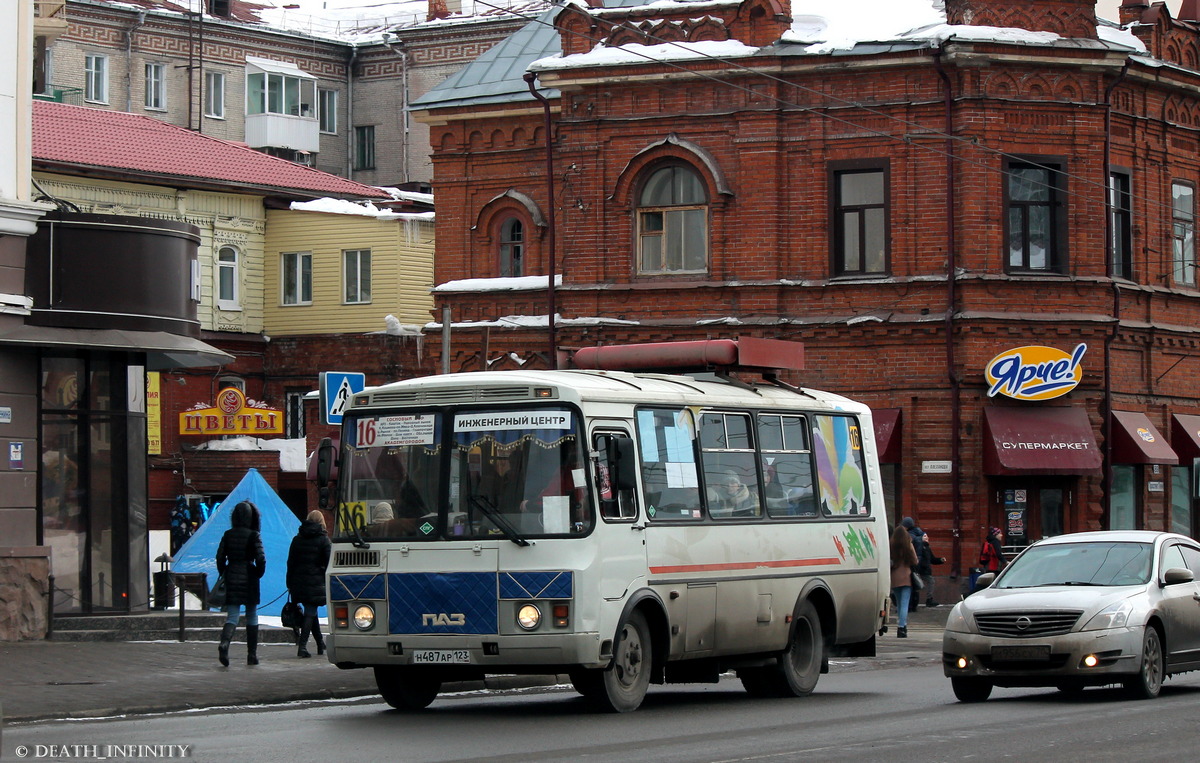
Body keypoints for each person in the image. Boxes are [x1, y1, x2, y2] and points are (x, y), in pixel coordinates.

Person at [215, 500, 266, 667]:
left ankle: (224, 644)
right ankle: (252, 655)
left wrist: (224, 572)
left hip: (232, 574)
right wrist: (258, 573)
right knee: (251, 615)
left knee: (232, 616)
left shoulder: (227, 534)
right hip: (249, 576)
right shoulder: (254, 535)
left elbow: (220, 557)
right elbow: (261, 558)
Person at [287, 509, 332, 659]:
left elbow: (290, 563)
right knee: (310, 611)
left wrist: (289, 582)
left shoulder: (297, 539)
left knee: (311, 611)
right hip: (315, 582)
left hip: (298, 581)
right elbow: (329, 562)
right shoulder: (323, 540)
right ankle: (303, 646)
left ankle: (320, 643)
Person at [890, 524, 918, 638]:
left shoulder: (891, 544)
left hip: (894, 576)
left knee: (899, 602)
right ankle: (902, 628)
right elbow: (915, 561)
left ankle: (901, 625)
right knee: (905, 603)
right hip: (906, 576)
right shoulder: (908, 544)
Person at [915, 530, 947, 608]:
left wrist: (940, 560)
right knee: (929, 582)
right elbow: (919, 558)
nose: (927, 538)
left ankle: (926, 599)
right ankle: (928, 599)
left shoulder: (927, 547)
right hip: (922, 570)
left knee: (921, 583)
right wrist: (922, 566)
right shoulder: (920, 547)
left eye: (927, 536)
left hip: (925, 570)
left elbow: (932, 559)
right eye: (925, 536)